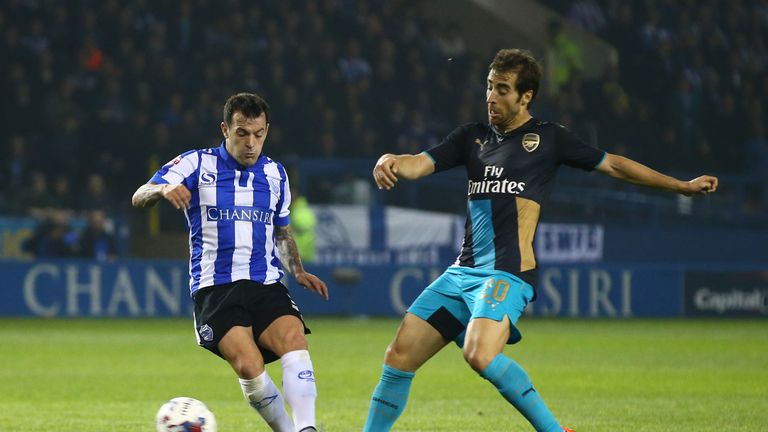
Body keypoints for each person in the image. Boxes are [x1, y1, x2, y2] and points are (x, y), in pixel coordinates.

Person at [364, 49, 718, 432]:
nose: (491, 97)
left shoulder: (549, 139)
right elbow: (418, 162)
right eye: (488, 87)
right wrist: (389, 159)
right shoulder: (471, 138)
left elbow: (613, 164)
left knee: (479, 354)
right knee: (398, 357)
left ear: (525, 97)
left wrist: (680, 186)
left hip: (509, 273)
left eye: (502, 89)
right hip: (461, 273)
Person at [132, 92, 329, 432]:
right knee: (249, 365)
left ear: (267, 131)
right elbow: (139, 196)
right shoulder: (196, 164)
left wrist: (296, 270)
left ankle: (307, 429)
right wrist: (162, 190)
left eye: (259, 134)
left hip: (265, 282)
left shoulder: (276, 174)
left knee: (294, 339)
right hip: (216, 287)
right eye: (242, 133)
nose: (251, 143)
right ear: (225, 129)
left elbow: (282, 232)